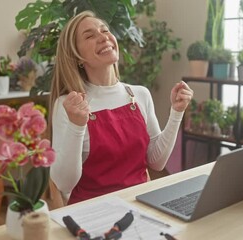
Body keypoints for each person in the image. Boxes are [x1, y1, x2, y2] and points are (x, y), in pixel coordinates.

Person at [49, 10, 193, 205]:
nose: (103, 37)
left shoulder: (139, 94)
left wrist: (177, 112)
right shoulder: (69, 105)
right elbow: (64, 184)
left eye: (105, 30)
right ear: (77, 57)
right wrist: (76, 124)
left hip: (141, 204)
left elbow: (156, 162)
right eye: (90, 35)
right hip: (91, 213)